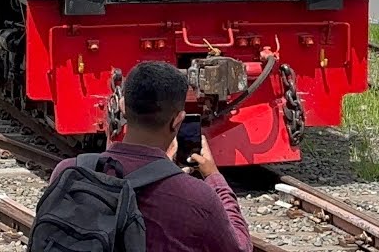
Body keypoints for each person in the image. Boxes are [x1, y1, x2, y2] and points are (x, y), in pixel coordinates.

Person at [46, 62, 251, 252]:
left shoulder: (67, 172)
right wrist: (214, 177)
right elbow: (240, 248)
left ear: (123, 107)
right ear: (177, 120)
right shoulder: (197, 197)